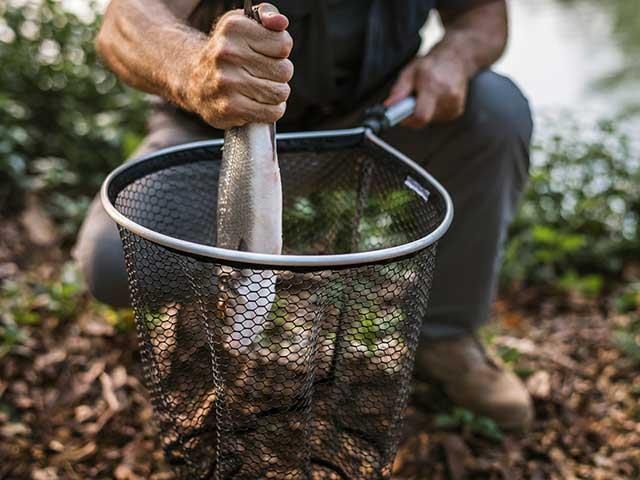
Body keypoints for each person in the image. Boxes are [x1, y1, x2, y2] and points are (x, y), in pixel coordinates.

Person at [76, 0, 534, 430]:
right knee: (114, 262)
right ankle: (204, 304)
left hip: (379, 119)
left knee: (496, 111)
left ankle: (446, 338)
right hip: (219, 129)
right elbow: (123, 22)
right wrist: (196, 69)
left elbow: (484, 15)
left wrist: (454, 56)